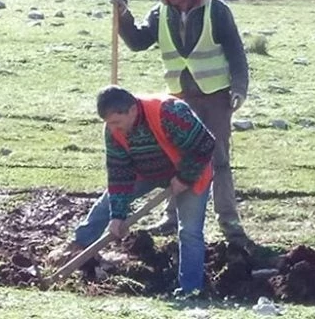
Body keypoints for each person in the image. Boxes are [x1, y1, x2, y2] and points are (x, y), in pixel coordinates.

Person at [109, 0, 252, 249]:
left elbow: (236, 51)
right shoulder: (159, 13)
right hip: (178, 100)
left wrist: (239, 88)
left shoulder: (216, 10)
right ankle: (171, 217)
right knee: (176, 158)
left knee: (219, 159)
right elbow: (138, 42)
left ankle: (229, 220)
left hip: (215, 96)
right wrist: (123, 17)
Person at [63, 85, 215, 296]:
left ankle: (190, 290)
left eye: (116, 122)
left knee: (189, 231)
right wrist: (117, 216)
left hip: (190, 170)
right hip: (146, 172)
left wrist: (184, 177)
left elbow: (206, 144)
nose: (114, 128)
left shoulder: (170, 111)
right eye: (109, 124)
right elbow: (119, 173)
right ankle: (78, 249)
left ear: (132, 110)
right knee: (106, 204)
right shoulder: (113, 130)